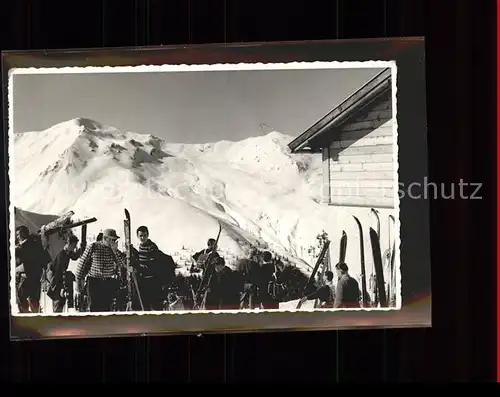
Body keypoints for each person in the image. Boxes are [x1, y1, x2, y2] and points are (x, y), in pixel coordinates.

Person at [75, 228, 126, 313]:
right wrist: (78, 281)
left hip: (108, 283)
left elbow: (123, 264)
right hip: (94, 283)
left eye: (115, 240)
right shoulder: (93, 247)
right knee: (95, 308)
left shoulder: (113, 250)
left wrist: (115, 251)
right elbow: (81, 265)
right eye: (112, 240)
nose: (114, 242)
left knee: (107, 309)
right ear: (105, 238)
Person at [130, 225, 172, 311]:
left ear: (148, 235)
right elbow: (143, 258)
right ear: (137, 236)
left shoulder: (152, 247)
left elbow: (152, 265)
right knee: (145, 303)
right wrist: (134, 252)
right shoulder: (142, 246)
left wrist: (138, 266)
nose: (142, 238)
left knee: (154, 304)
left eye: (144, 235)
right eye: (140, 236)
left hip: (152, 280)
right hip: (144, 279)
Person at [15, 225, 52, 313]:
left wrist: (16, 270)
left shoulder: (24, 247)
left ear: (23, 234)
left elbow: (26, 265)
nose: (17, 237)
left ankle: (25, 318)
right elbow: (45, 260)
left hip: (26, 278)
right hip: (36, 279)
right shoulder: (36, 244)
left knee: (21, 299)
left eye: (18, 235)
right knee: (34, 301)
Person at [46, 235, 80, 313]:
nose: (74, 248)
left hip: (60, 278)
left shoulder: (68, 252)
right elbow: (59, 273)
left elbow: (74, 257)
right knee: (58, 303)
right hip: (55, 280)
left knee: (61, 302)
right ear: (69, 244)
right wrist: (61, 287)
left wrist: (79, 251)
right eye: (74, 246)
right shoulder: (62, 255)